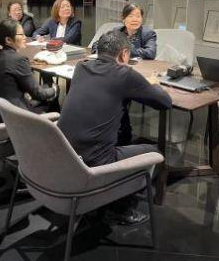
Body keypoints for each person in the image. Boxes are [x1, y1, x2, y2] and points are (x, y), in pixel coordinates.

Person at [58, 31, 171, 223]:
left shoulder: (81, 67)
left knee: (121, 134)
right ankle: (118, 207)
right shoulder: (124, 74)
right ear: (124, 54)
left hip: (65, 153)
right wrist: (155, 84)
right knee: (155, 152)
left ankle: (112, 193)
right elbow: (164, 102)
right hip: (94, 161)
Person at [0, 19, 57, 122]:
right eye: (21, 34)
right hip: (11, 118)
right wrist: (55, 89)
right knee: (49, 92)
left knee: (44, 90)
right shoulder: (18, 60)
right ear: (8, 40)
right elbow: (38, 94)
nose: (25, 37)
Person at [92, 3, 156, 59]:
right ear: (123, 19)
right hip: (117, 64)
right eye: (131, 16)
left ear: (142, 19)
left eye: (138, 16)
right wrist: (100, 52)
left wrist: (123, 51)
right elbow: (98, 44)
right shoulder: (117, 31)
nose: (135, 20)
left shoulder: (148, 33)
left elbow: (150, 53)